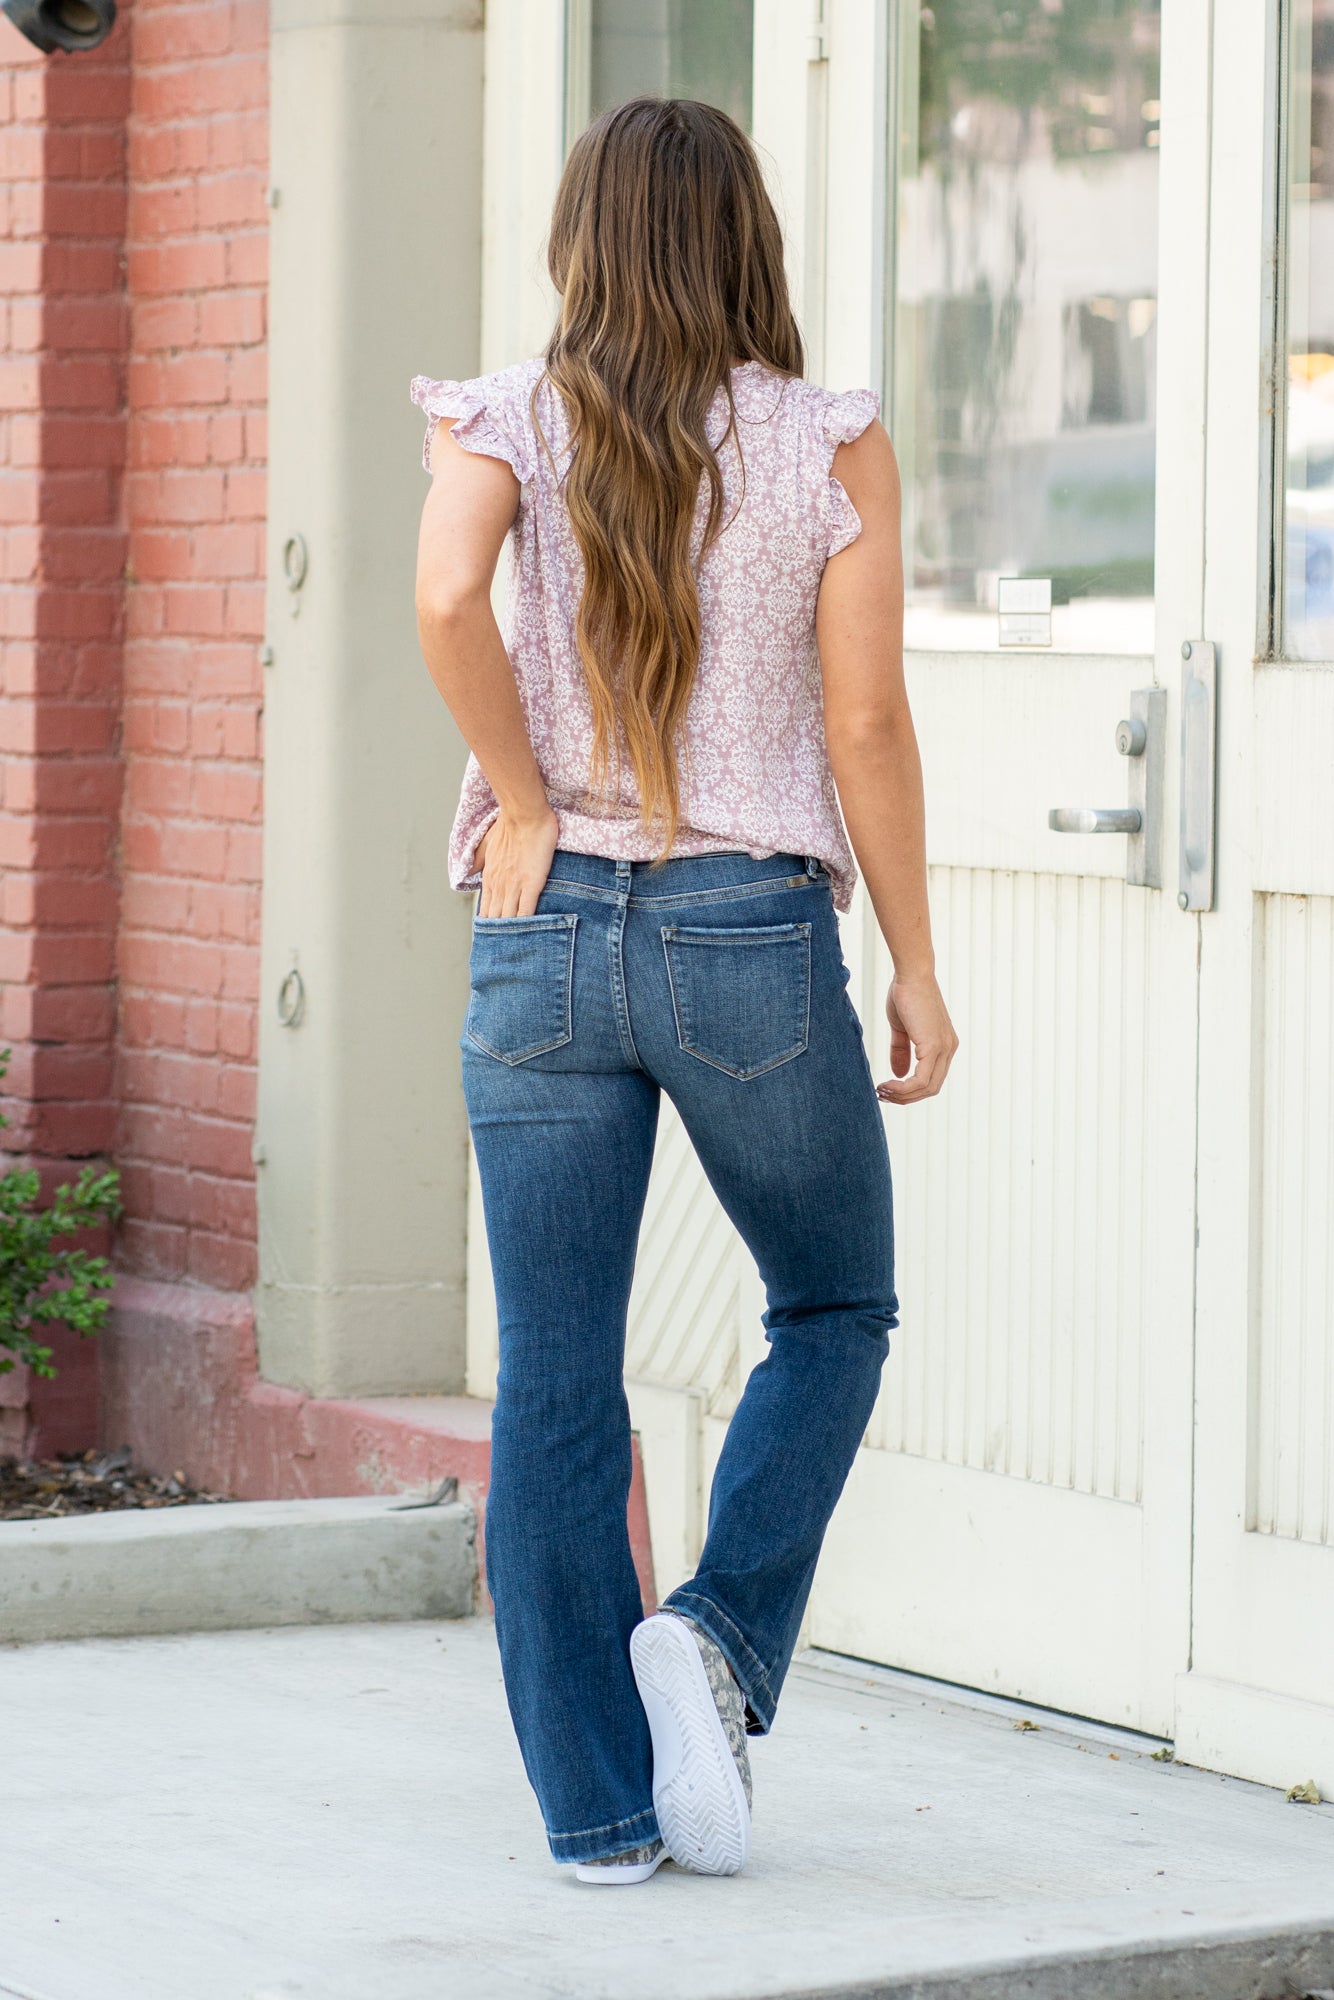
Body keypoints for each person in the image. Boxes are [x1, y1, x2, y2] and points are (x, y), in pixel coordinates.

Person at [410, 95, 957, 1886]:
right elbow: (865, 723)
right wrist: (920, 965)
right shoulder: (828, 441)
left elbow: (439, 600)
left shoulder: (508, 413)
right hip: (747, 941)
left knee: (555, 1380)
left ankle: (595, 1820)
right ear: (746, 238)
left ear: (580, 238)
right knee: (834, 1308)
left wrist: (528, 790)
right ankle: (713, 1643)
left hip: (541, 927)